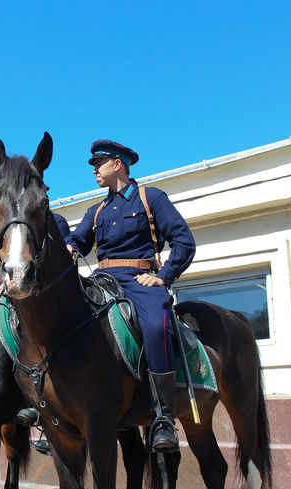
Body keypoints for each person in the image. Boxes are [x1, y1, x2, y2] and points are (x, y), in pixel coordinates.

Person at [66, 139, 196, 451]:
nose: (94, 170)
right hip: (101, 278)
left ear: (118, 164)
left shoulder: (151, 198)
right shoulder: (95, 210)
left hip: (139, 280)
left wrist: (162, 277)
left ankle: (164, 418)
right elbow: (77, 241)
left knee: (155, 325)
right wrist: (67, 247)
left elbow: (184, 241)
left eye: (99, 164)